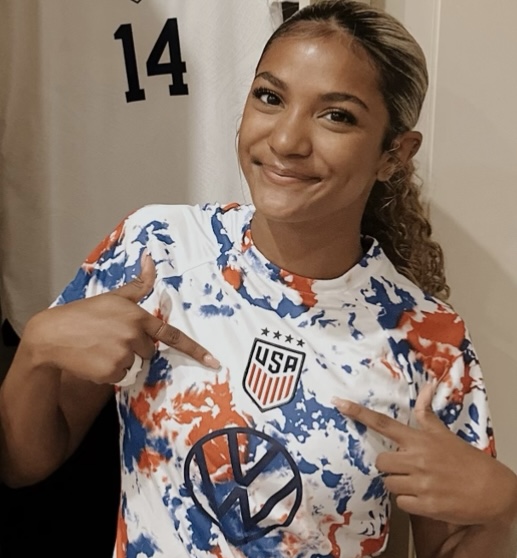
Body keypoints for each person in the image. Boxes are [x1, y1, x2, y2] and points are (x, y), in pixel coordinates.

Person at [1, 1, 516, 556]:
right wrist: (36, 349)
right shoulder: (158, 249)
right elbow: (22, 465)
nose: (287, 140)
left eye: (336, 116)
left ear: (394, 154)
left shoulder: (429, 341)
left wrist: (504, 507)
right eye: (270, 97)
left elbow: (454, 543)